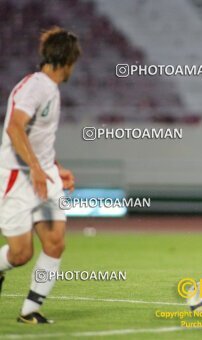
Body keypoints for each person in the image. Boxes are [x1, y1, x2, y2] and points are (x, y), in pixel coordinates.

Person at [0, 26, 80, 324]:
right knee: (21, 254)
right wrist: (34, 168)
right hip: (17, 177)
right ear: (68, 61)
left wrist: (55, 168)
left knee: (55, 242)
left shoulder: (49, 88)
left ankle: (30, 311)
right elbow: (14, 127)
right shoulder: (37, 86)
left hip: (42, 175)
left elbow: (36, 138)